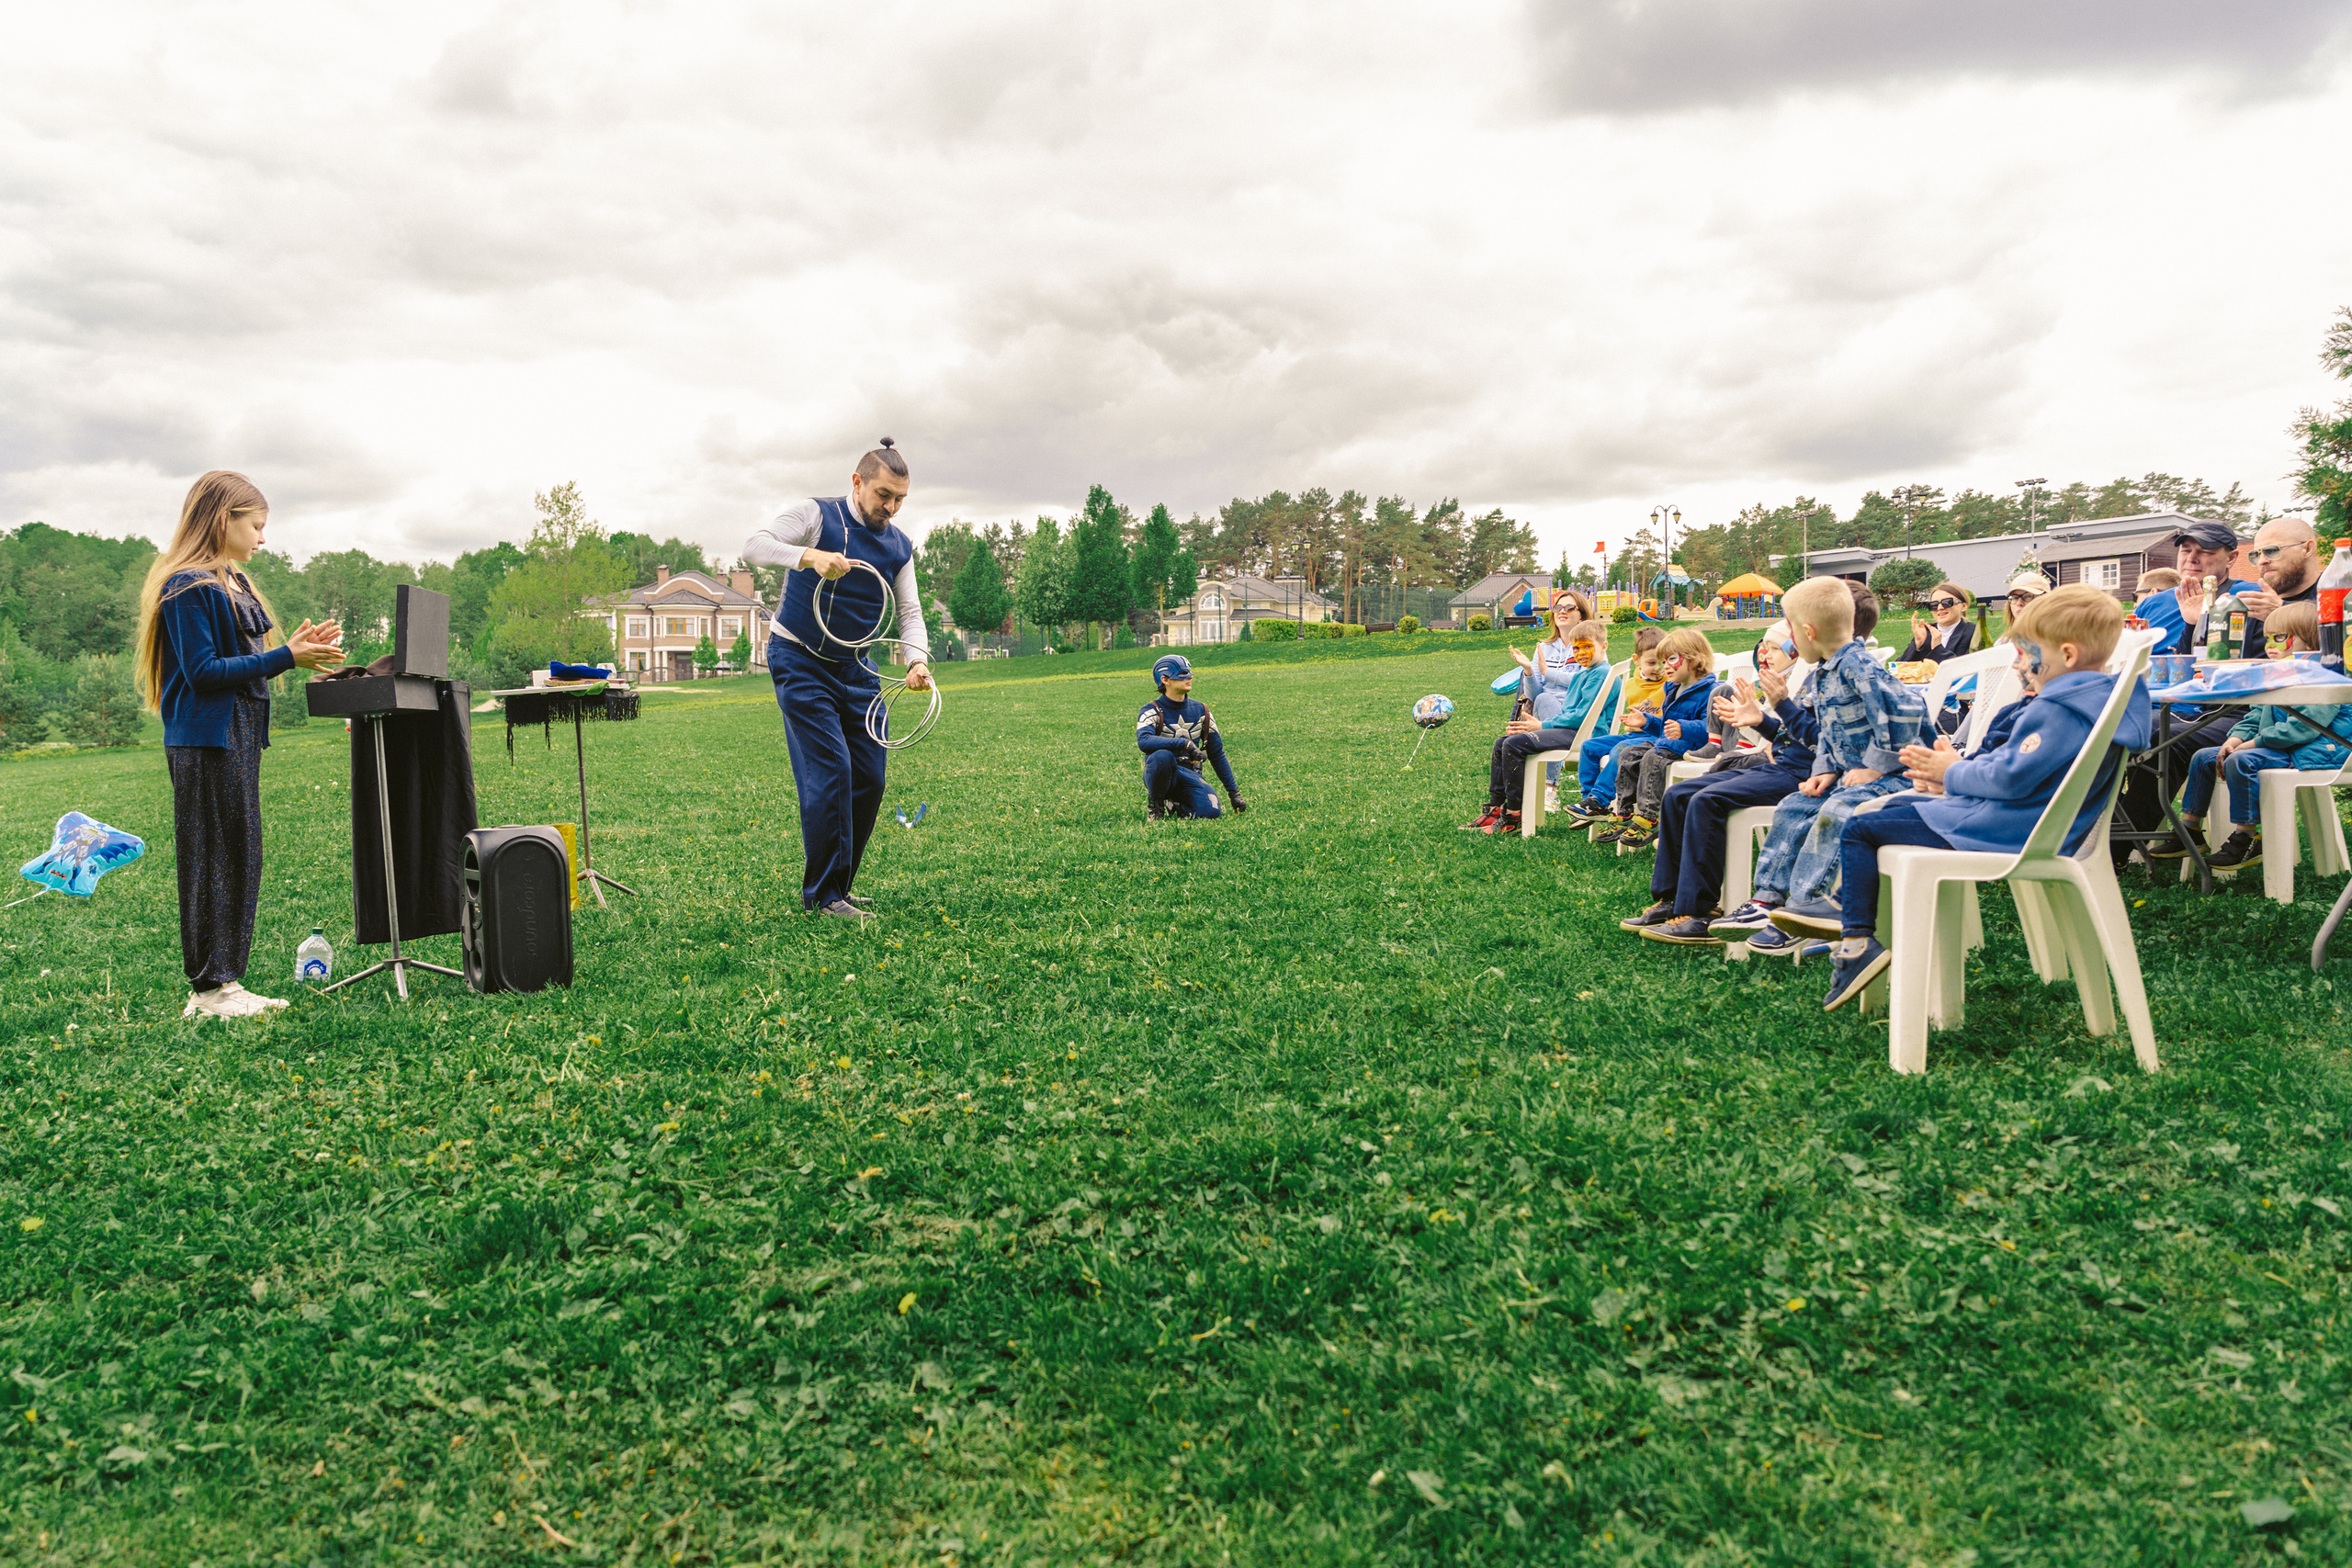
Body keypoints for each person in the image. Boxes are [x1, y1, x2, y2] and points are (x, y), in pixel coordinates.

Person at [1804, 585, 2151, 1010]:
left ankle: (1855, 937)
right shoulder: (2088, 701)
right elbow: (2018, 769)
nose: (2019, 663)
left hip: (2009, 829)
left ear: (2067, 655)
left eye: (2026, 653)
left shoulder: (2058, 710)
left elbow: (2009, 777)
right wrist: (1952, 779)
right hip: (2023, 823)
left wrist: (1951, 773)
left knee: (1862, 826)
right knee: (1893, 806)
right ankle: (1846, 912)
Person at [134, 471, 345, 1019]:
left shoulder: (234, 582)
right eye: (255, 525)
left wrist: (296, 650)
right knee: (213, 857)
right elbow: (204, 672)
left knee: (239, 853)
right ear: (221, 518)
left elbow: (246, 660)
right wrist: (287, 656)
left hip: (239, 736)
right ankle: (211, 991)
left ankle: (225, 983)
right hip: (207, 739)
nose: (262, 538)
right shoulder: (187, 586)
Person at [741, 437, 935, 920]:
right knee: (831, 770)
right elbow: (754, 547)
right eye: (883, 495)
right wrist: (810, 557)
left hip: (857, 667)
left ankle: (840, 888)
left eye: (900, 499)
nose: (891, 507)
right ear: (857, 482)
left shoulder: (899, 545)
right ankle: (824, 898)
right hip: (799, 658)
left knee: (869, 777)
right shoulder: (817, 515)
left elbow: (910, 612)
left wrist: (916, 661)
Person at [1708, 578, 1926, 949]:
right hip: (1849, 777)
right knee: (1794, 806)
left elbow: (1909, 711)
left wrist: (1875, 766)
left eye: (1791, 631)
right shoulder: (1824, 673)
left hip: (1898, 776)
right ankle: (1767, 901)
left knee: (1836, 811)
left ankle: (1806, 907)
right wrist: (1823, 767)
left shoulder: (1859, 667)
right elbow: (1828, 730)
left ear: (1807, 633)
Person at [1623, 622, 1815, 943]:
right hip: (1780, 762)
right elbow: (1791, 737)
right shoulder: (1801, 677)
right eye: (1764, 647)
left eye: (1773, 647)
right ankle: (1671, 899)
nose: (1764, 653)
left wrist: (1773, 715)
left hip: (1799, 773)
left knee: (1706, 800)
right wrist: (1762, 721)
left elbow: (1818, 742)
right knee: (1677, 794)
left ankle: (1700, 912)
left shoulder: (1817, 678)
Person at [2114, 522, 2267, 861]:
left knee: (2164, 739)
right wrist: (2190, 622)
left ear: (2232, 558)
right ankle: (2096, 831)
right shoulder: (2158, 602)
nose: (2193, 558)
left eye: (2206, 552)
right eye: (2186, 550)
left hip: (2231, 710)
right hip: (2168, 702)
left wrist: (2200, 621)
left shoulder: (2248, 597)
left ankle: (2114, 850)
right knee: (2108, 728)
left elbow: (2226, 666)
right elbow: (2170, 662)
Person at [2162, 603, 2346, 873]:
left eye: (2280, 637)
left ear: (2310, 641)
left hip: (2319, 749)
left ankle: (2247, 837)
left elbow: (2303, 729)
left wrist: (2250, 745)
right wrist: (2234, 740)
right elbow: (2255, 715)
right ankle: (2190, 831)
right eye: (2267, 638)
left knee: (2241, 760)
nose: (2270, 645)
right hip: (2285, 747)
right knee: (2203, 757)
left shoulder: (2323, 677)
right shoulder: (2279, 674)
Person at [1462, 620, 1616, 834]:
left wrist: (1542, 725)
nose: (1581, 653)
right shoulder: (1584, 673)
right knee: (1502, 743)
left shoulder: (1601, 673)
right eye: (1576, 648)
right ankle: (1495, 809)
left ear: (1604, 646)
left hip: (1584, 736)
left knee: (1514, 745)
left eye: (1587, 646)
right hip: (1572, 731)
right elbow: (1569, 711)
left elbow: (1581, 717)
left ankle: (1513, 815)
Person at [1589, 629, 1719, 848]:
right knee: (1629, 753)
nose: (1665, 666)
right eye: (1663, 661)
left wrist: (1684, 728)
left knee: (1653, 757)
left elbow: (1711, 728)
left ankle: (1649, 817)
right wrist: (1646, 721)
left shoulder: (1710, 691)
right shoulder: (1674, 688)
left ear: (1695, 659)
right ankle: (1625, 812)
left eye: (1671, 659)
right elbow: (1665, 728)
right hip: (1668, 742)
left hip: (1694, 747)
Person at [1562, 627, 1666, 827]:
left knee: (1620, 749)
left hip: (1656, 736)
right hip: (1633, 735)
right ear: (1637, 660)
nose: (1659, 668)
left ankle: (1600, 799)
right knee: (1589, 746)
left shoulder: (1670, 682)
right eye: (1652, 663)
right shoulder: (1632, 683)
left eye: (1664, 661)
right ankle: (1590, 802)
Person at [1138, 654, 1246, 819]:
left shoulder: (1202, 711)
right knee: (1162, 756)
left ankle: (1176, 804)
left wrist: (1234, 793)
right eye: (1182, 674)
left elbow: (1216, 753)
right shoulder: (1151, 710)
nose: (1190, 677)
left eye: (1189, 673)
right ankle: (1156, 807)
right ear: (1165, 680)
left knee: (1211, 812)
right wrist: (1184, 743)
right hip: (1161, 772)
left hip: (1190, 774)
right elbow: (1144, 741)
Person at [1894, 583, 1976, 664]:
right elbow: (1898, 667)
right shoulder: (1926, 632)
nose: (1940, 608)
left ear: (1963, 606)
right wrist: (1917, 644)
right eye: (1934, 605)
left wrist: (1937, 648)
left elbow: (1967, 667)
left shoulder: (1973, 632)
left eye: (1947, 602)